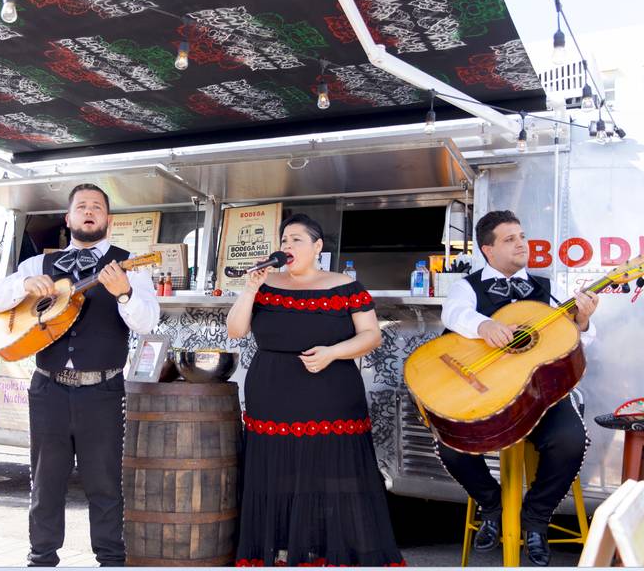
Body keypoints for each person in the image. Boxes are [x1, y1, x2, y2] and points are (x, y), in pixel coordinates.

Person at [0, 183, 159, 567]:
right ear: (68, 218)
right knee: (45, 483)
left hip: (102, 391)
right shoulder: (37, 265)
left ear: (108, 221)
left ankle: (110, 560)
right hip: (48, 389)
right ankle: (41, 558)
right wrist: (22, 285)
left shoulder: (127, 263)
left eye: (96, 207)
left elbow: (148, 322)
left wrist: (125, 293)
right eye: (81, 206)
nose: (89, 211)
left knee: (104, 483)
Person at [226, 213, 404, 567]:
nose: (288, 246)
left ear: (318, 246)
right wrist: (250, 289)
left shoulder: (346, 286)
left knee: (334, 469)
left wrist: (333, 353)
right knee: (278, 470)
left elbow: (372, 335)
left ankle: (335, 549)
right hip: (272, 389)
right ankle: (280, 548)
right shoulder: (264, 284)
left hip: (332, 388)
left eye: (296, 240)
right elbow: (235, 330)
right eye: (284, 241)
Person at [438, 210, 598, 566]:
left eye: (522, 236)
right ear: (488, 250)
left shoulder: (548, 288)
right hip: (486, 395)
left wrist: (583, 321)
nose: (521, 244)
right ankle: (493, 506)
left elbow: (584, 342)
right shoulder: (468, 286)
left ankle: (536, 519)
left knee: (573, 440)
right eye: (510, 239)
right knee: (451, 446)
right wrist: (482, 327)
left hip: (541, 396)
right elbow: (453, 314)